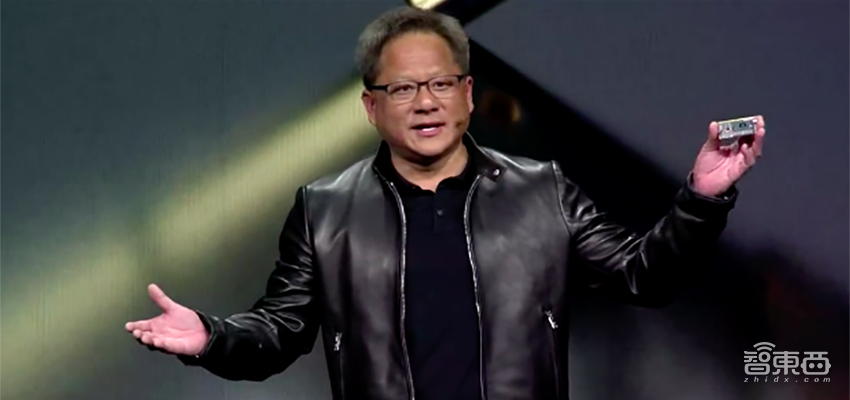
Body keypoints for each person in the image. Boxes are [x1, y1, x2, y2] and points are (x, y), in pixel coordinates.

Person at [125, 6, 765, 400]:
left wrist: (702, 198)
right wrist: (211, 337)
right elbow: (277, 333)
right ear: (371, 106)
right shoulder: (324, 209)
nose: (426, 102)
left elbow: (643, 276)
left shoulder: (541, 188)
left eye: (440, 83)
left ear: (467, 94)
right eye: (403, 88)